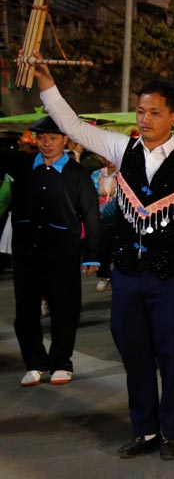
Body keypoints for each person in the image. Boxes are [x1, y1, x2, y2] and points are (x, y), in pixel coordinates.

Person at [37, 67, 174, 461]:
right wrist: (46, 83)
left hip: (171, 275)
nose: (144, 120)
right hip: (129, 273)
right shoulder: (123, 149)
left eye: (153, 112)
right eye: (140, 111)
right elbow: (72, 126)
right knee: (131, 349)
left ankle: (173, 431)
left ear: (173, 118)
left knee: (169, 352)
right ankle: (145, 429)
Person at [2, 115, 102, 388]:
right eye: (42, 138)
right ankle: (35, 362)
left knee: (64, 309)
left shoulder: (77, 174)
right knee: (25, 312)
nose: (46, 143)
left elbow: (91, 215)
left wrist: (93, 254)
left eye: (53, 138)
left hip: (64, 252)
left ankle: (61, 362)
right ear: (34, 139)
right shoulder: (22, 165)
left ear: (65, 139)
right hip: (27, 251)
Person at [91, 156, 119, 292]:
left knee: (117, 247)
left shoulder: (124, 173)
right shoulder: (96, 174)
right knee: (101, 247)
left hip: (119, 217)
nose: (108, 159)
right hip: (99, 217)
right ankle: (104, 274)